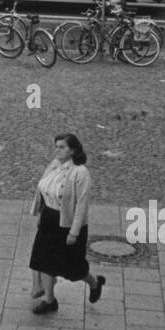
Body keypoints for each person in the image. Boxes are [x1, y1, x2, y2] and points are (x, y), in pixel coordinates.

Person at [28, 134, 104, 315]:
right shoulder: (54, 164)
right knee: (44, 261)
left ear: (73, 150)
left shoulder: (80, 172)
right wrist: (41, 213)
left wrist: (74, 233)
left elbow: (82, 205)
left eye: (62, 147)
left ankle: (95, 283)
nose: (57, 150)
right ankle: (49, 300)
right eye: (56, 146)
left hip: (67, 225)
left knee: (72, 268)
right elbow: (43, 189)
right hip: (49, 218)